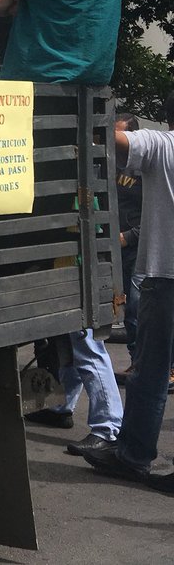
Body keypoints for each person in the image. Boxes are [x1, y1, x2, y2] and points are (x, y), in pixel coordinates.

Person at [0, 0, 123, 458]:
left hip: (39, 96)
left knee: (34, 229)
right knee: (74, 225)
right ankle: (65, 396)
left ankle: (85, 399)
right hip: (89, 99)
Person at [80, 108, 174, 493]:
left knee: (150, 373)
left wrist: (88, 106)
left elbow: (115, 139)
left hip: (165, 277)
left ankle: (133, 456)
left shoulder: (163, 144)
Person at [113, 111, 144, 378]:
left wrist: (129, 236)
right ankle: (138, 362)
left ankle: (159, 366)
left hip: (136, 247)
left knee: (137, 308)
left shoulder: (145, 168)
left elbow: (157, 213)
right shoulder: (111, 165)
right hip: (116, 247)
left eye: (122, 133)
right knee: (125, 309)